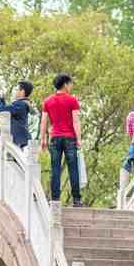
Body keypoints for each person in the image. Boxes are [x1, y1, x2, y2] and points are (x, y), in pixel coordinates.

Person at [40, 74, 83, 206]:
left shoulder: (47, 101)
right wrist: (79, 139)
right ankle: (76, 200)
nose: (71, 86)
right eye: (70, 84)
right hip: (70, 138)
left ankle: (55, 199)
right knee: (73, 169)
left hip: (55, 138)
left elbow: (44, 122)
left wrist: (43, 139)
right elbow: (76, 121)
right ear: (65, 84)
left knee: (55, 169)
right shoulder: (72, 100)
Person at [0, 80, 34, 149]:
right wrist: (1, 99)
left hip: (18, 141)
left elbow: (2, 110)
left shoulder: (20, 104)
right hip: (20, 140)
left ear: (22, 91)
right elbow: (6, 111)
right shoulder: (21, 104)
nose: (15, 91)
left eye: (16, 89)